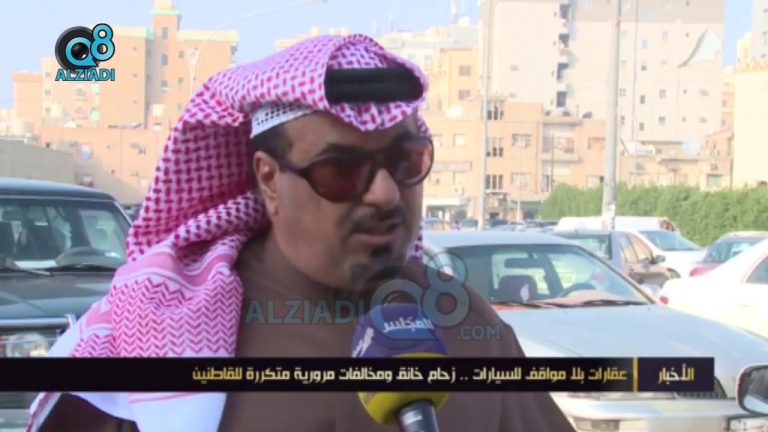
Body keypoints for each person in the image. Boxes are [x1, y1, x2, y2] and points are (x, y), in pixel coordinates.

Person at [29, 34, 575, 432]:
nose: (386, 193)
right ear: (269, 179)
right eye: (342, 170)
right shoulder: (150, 331)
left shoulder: (468, 324)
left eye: (406, 161)